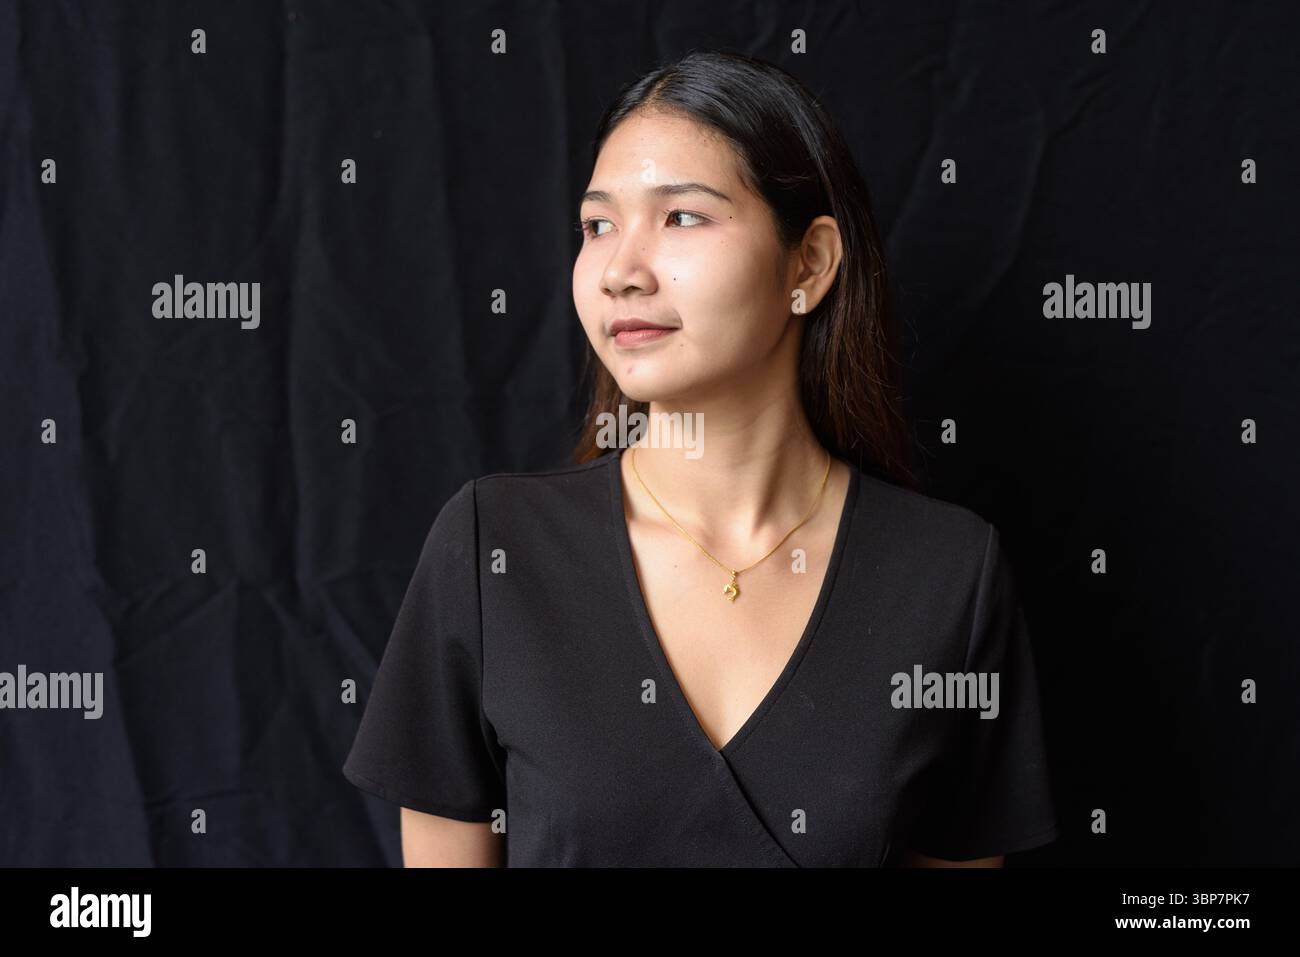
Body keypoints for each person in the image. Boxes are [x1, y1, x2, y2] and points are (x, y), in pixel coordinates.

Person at [343, 49, 1059, 867]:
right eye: (597, 225)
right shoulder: (491, 548)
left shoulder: (949, 573)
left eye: (681, 216)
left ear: (811, 263)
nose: (621, 271)